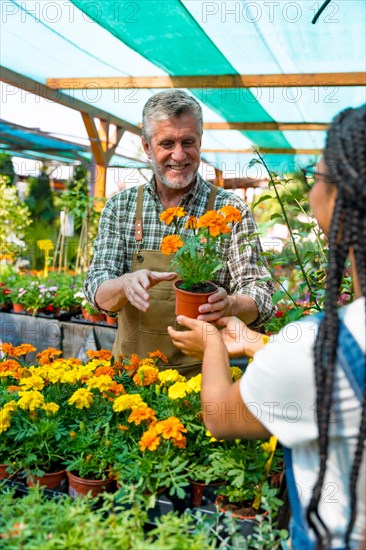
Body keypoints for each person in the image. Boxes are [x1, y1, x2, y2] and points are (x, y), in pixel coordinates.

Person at [168, 105, 366, 548]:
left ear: (339, 202)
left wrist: (214, 344)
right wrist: (259, 341)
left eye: (317, 176)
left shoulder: (317, 349)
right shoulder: (323, 349)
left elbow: (220, 415)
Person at [84, 89, 275, 377]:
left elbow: (260, 292)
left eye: (188, 142)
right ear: (147, 147)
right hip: (131, 379)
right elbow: (96, 289)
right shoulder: (120, 207)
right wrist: (125, 284)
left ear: (200, 141)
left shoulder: (229, 209)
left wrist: (231, 304)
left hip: (205, 382)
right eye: (167, 143)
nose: (179, 154)